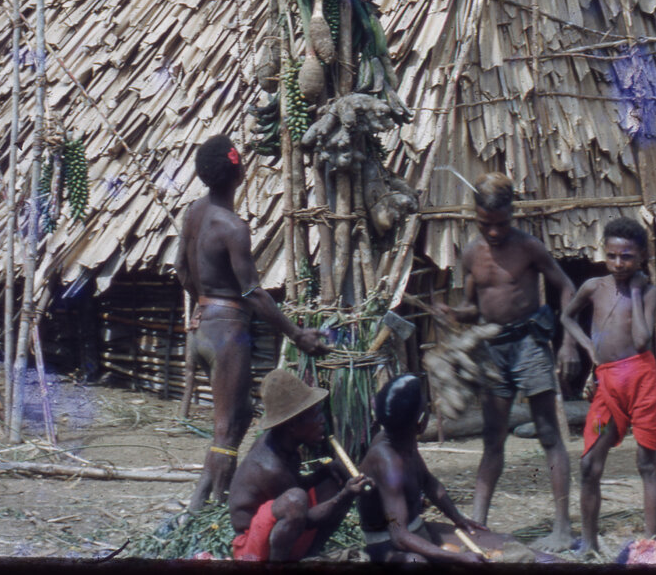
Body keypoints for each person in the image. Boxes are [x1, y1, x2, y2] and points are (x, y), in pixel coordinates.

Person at [175, 134, 328, 509]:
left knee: (240, 415)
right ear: (238, 172)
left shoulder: (193, 213)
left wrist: (201, 302)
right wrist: (296, 333)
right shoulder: (232, 227)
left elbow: (181, 267)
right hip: (228, 332)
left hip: (205, 327)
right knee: (226, 429)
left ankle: (209, 498)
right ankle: (206, 509)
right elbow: (252, 293)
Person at [436, 173, 579, 550]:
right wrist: (453, 313)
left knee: (549, 434)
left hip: (530, 343)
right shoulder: (471, 253)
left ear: (512, 215)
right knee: (492, 440)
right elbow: (474, 308)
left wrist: (567, 341)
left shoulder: (529, 247)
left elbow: (567, 287)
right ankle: (477, 526)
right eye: (486, 225)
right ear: (476, 217)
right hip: (493, 350)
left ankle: (563, 528)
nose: (494, 233)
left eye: (501, 225)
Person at [560, 217, 656, 555]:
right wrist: (587, 347)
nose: (619, 264)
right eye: (612, 256)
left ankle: (650, 543)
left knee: (646, 462)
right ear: (603, 254)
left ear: (642, 259)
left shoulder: (649, 292)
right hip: (608, 384)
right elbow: (566, 316)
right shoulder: (593, 287)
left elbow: (641, 340)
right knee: (589, 464)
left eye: (627, 257)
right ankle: (589, 543)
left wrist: (636, 292)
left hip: (641, 381)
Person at [358, 373, 514, 564]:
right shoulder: (389, 464)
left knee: (504, 542)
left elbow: (428, 482)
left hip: (414, 529)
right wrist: (457, 558)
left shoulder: (402, 438)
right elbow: (399, 536)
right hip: (387, 542)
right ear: (421, 424)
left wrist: (458, 518)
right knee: (416, 563)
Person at [228, 367, 368, 561]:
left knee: (332, 479)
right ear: (293, 425)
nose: (322, 421)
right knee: (298, 499)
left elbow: (298, 487)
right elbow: (303, 517)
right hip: (252, 547)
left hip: (281, 521)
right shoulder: (271, 467)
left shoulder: (284, 443)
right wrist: (345, 495)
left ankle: (310, 554)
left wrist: (327, 471)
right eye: (316, 416)